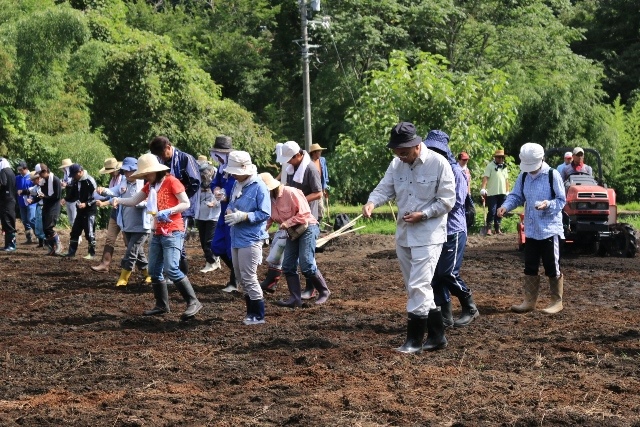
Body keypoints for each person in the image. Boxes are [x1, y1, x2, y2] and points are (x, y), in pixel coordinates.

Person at [362, 121, 456, 354]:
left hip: (429, 234)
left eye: (403, 152)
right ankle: (437, 336)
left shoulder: (439, 164)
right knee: (415, 287)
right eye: (396, 152)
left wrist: (423, 214)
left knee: (419, 285)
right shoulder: (396, 164)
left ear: (417, 145)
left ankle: (413, 340)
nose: (400, 157)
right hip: (404, 234)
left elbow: (447, 200)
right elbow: (385, 188)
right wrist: (372, 202)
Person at [112, 153, 203, 320]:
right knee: (154, 271)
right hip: (158, 231)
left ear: (156, 171)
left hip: (173, 230)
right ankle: (162, 305)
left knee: (171, 269)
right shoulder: (150, 186)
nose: (146, 177)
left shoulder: (172, 181)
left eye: (147, 174)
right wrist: (118, 200)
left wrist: (170, 210)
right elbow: (133, 200)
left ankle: (193, 301)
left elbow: (186, 203)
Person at [497, 143, 566, 314]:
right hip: (531, 229)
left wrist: (547, 204)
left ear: (541, 159)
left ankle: (556, 301)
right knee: (530, 265)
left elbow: (561, 200)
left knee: (552, 265)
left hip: (549, 229)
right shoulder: (524, 175)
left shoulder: (552, 175)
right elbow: (516, 196)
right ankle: (529, 301)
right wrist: (506, 206)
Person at [424, 131, 479, 328]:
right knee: (435, 276)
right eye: (430, 149)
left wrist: (430, 207)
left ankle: (470, 306)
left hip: (453, 229)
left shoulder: (456, 171)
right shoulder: (431, 170)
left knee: (448, 273)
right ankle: (445, 315)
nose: (433, 153)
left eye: (436, 150)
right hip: (435, 230)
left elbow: (456, 202)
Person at [261, 172, 330, 308]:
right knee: (288, 266)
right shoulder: (269, 199)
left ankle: (323, 291)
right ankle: (295, 298)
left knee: (307, 263)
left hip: (308, 227)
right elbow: (268, 219)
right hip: (292, 232)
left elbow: (304, 214)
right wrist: (260, 232)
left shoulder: (291, 192)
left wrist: (288, 222)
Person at [223, 151, 271, 325]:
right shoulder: (237, 184)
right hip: (236, 235)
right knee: (240, 276)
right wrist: (230, 210)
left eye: (236, 171)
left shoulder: (259, 186)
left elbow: (265, 212)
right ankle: (250, 312)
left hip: (251, 237)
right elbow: (231, 203)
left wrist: (244, 216)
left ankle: (258, 315)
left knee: (249, 276)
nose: (233, 174)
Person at [276, 140, 323, 301]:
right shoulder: (291, 168)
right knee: (294, 260)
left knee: (307, 258)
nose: (288, 162)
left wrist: (299, 200)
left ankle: (312, 289)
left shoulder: (310, 169)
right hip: (293, 218)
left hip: (308, 217)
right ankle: (299, 293)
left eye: (290, 158)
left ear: (298, 155)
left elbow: (318, 193)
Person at [149, 136, 201, 275]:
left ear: (168, 147)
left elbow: (195, 183)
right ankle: (173, 273)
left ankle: (179, 273)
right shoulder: (160, 160)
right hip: (164, 206)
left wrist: (178, 198)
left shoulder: (185, 159)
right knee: (166, 239)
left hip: (182, 206)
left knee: (177, 241)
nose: (161, 157)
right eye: (158, 155)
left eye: (162, 154)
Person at [98, 157, 152, 286]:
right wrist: (103, 190)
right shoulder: (123, 182)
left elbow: (151, 202)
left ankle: (123, 278)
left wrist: (140, 204)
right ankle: (148, 275)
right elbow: (114, 192)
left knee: (131, 251)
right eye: (126, 171)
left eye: (130, 171)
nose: (128, 174)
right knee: (138, 252)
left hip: (141, 225)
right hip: (127, 224)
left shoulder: (145, 183)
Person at [208, 135, 239, 292]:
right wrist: (217, 191)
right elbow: (215, 183)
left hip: (234, 212)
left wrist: (226, 194)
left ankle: (235, 281)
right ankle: (237, 274)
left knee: (231, 247)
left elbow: (239, 188)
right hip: (223, 212)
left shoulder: (237, 168)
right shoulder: (222, 168)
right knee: (216, 246)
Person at [91, 158, 124, 272]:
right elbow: (111, 196)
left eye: (110, 171)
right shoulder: (113, 180)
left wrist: (104, 203)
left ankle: (134, 266)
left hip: (125, 212)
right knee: (110, 238)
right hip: (115, 212)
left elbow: (119, 197)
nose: (109, 173)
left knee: (128, 241)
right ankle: (104, 264)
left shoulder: (123, 179)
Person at [63, 164, 98, 259]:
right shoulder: (76, 181)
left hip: (89, 211)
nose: (74, 177)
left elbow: (96, 197)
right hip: (80, 211)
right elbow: (73, 194)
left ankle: (92, 254)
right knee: (75, 231)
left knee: (90, 233)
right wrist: (65, 199)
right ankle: (71, 253)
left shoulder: (89, 181)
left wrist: (86, 204)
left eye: (75, 174)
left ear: (80, 172)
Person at [195, 157, 221, 273]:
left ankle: (212, 262)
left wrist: (215, 203)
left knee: (208, 242)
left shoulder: (217, 180)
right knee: (202, 241)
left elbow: (222, 195)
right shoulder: (198, 181)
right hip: (200, 214)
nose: (203, 176)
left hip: (213, 216)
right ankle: (213, 260)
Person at [480, 149, 510, 235]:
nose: (501, 159)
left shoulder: (504, 167)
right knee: (492, 211)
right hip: (492, 192)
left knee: (500, 211)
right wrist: (483, 188)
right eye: (499, 157)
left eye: (502, 158)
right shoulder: (490, 166)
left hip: (502, 192)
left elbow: (506, 180)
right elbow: (485, 178)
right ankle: (489, 229)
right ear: (495, 158)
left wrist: (508, 191)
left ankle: (497, 229)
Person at [36, 164, 64, 255]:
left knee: (48, 227)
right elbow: (42, 194)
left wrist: (45, 197)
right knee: (45, 229)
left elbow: (57, 196)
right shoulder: (44, 182)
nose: (39, 176)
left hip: (54, 206)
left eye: (40, 173)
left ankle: (58, 244)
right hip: (46, 206)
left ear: (45, 171)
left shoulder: (55, 180)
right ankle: (52, 248)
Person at [15, 161, 36, 245]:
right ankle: (29, 237)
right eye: (19, 169)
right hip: (21, 202)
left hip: (31, 202)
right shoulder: (17, 178)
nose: (20, 171)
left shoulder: (31, 177)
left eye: (21, 169)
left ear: (26, 168)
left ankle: (39, 235)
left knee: (31, 219)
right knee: (24, 220)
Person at [59, 158, 79, 243]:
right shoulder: (66, 176)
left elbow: (73, 187)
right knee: (71, 220)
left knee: (74, 219)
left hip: (74, 200)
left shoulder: (73, 177)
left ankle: (77, 236)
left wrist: (66, 185)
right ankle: (75, 236)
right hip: (68, 199)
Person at [308, 143, 330, 224]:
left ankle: (318, 224)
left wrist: (325, 187)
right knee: (311, 209)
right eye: (318, 151)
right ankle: (312, 225)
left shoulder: (322, 160)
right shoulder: (309, 163)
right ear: (313, 153)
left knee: (321, 209)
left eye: (320, 151)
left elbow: (325, 173)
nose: (320, 153)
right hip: (311, 190)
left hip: (320, 188)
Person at [0, 157, 17, 251]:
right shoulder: (11, 172)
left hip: (6, 200)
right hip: (11, 199)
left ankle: (11, 245)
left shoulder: (3, 171)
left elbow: (3, 183)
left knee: (6, 221)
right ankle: (8, 244)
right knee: (9, 220)